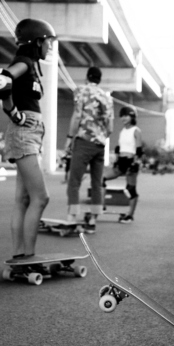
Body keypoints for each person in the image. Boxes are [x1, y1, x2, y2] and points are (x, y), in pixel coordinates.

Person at [0, 18, 56, 263]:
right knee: (41, 197)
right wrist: (15, 114)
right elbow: (2, 79)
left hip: (29, 133)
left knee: (23, 199)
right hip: (24, 133)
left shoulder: (30, 65)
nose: (49, 48)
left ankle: (20, 254)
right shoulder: (24, 62)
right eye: (47, 42)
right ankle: (29, 256)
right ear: (36, 42)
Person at [64, 66, 114, 233]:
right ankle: (92, 221)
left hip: (84, 141)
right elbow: (111, 127)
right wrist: (101, 136)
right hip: (100, 145)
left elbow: (78, 115)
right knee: (96, 183)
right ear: (99, 79)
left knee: (74, 181)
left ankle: (72, 218)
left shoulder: (81, 91)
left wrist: (70, 138)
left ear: (87, 77)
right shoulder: (107, 97)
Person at [102, 106, 143, 223]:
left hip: (131, 162)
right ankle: (102, 205)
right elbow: (119, 148)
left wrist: (135, 163)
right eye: (122, 116)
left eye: (126, 115)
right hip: (121, 162)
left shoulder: (136, 131)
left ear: (132, 116)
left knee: (131, 189)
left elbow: (139, 151)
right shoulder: (122, 131)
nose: (123, 118)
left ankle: (130, 215)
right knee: (101, 179)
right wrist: (116, 160)